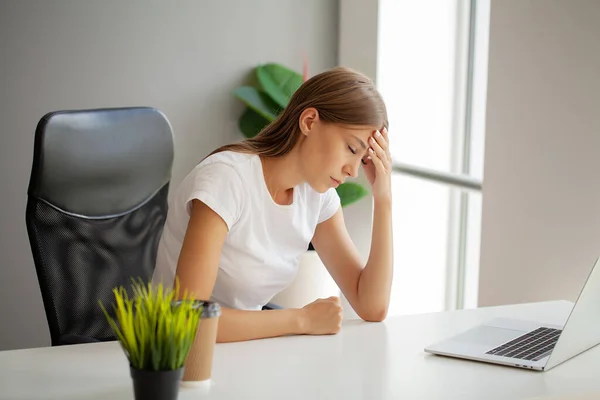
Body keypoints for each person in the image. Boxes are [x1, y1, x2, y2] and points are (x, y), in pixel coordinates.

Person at [151, 66, 393, 343]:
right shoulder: (227, 179)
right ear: (310, 121)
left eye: (363, 160)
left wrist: (383, 198)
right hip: (175, 358)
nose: (353, 172)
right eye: (351, 149)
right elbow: (188, 319)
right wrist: (300, 319)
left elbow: (372, 306)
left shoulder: (317, 197)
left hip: (246, 352)